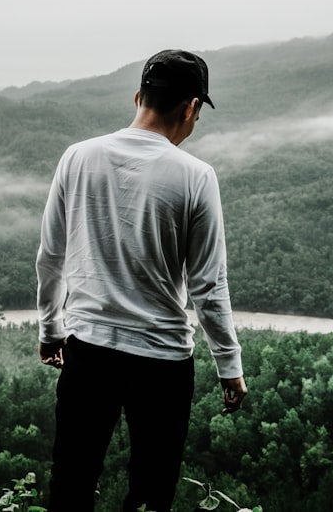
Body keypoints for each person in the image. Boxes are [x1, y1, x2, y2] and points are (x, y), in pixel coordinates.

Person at [36, 49, 248, 512]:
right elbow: (208, 287)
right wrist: (229, 366)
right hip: (162, 361)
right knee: (151, 493)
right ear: (191, 107)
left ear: (139, 97)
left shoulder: (78, 157)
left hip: (88, 349)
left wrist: (51, 330)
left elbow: (51, 256)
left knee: (71, 482)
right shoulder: (196, 176)